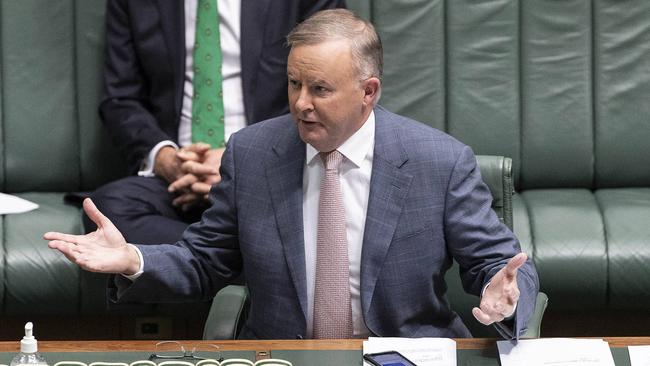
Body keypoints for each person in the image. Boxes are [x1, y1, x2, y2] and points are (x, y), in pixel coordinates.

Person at [46, 9, 539, 340]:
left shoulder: (440, 161)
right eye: (293, 83)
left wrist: (506, 294)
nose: (300, 103)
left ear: (368, 91)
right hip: (283, 355)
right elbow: (204, 261)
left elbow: (500, 263)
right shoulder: (253, 153)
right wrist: (132, 258)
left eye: (320, 89)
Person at [87, 0, 346, 244]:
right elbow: (120, 99)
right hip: (179, 178)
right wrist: (167, 160)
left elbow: (331, 90)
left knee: (319, 206)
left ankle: (207, 259)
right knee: (106, 211)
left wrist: (240, 161)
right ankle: (243, 256)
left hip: (273, 172)